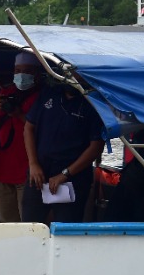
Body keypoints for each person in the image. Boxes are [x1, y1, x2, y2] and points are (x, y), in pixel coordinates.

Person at [22, 83, 104, 224]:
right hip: (39, 175)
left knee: (66, 231)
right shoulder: (49, 93)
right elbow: (28, 128)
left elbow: (96, 147)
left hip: (72, 179)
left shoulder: (94, 103)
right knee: (30, 227)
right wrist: (33, 163)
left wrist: (65, 174)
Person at [0, 51, 43, 222]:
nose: (21, 75)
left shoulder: (43, 98)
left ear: (37, 73)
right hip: (2, 172)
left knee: (29, 224)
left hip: (29, 173)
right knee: (7, 223)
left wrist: (18, 114)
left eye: (27, 70)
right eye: (17, 70)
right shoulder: (4, 94)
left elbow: (45, 131)